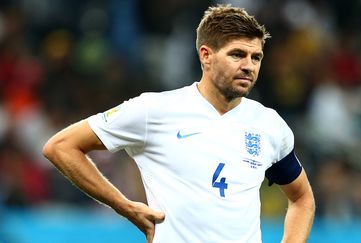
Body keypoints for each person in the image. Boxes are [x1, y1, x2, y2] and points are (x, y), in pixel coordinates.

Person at [43, 4, 315, 243]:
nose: (249, 65)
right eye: (237, 54)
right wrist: (123, 205)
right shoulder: (154, 110)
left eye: (256, 57)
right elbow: (61, 146)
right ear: (206, 55)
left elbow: (302, 198)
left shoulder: (269, 125)